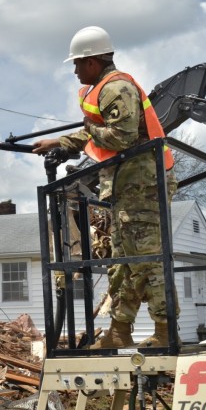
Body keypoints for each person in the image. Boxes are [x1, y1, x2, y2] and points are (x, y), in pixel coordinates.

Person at [32, 26, 179, 349]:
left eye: (77, 64)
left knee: (149, 259)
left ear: (93, 62)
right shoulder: (100, 90)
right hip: (129, 187)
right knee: (124, 261)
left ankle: (167, 330)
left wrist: (87, 131)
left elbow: (121, 137)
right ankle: (119, 330)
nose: (74, 70)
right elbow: (98, 133)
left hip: (145, 185)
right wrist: (59, 142)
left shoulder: (117, 88)